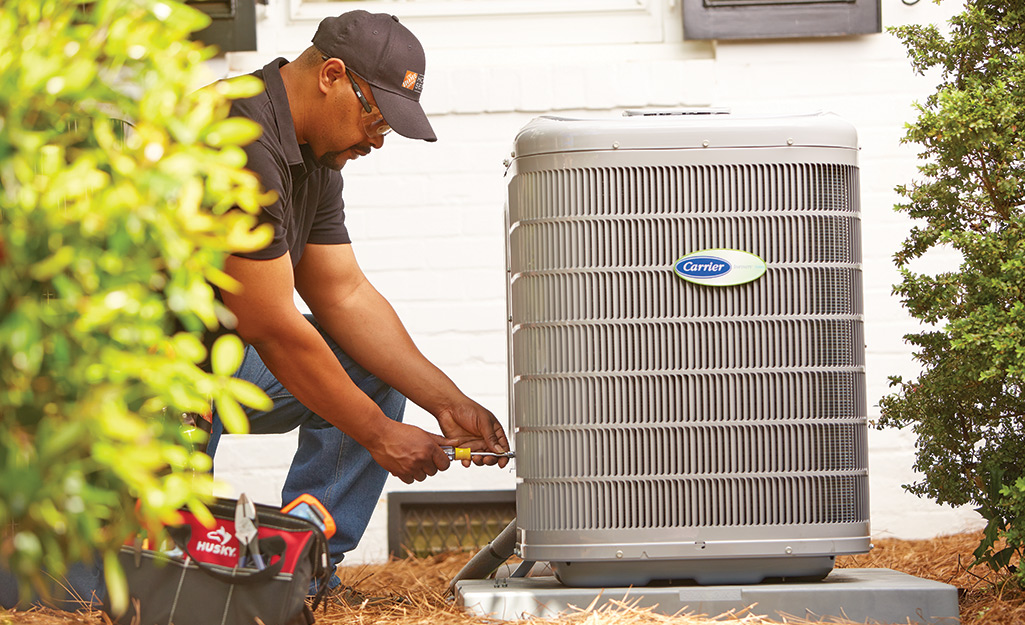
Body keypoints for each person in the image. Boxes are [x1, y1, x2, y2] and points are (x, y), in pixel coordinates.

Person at [202, 10, 511, 600]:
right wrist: (379, 435)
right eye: (377, 117)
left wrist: (449, 404)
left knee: (365, 366)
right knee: (95, 589)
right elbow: (271, 326)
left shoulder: (314, 161)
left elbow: (343, 294)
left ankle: (304, 572)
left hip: (218, 361)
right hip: (148, 378)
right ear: (333, 75)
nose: (377, 139)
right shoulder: (236, 135)